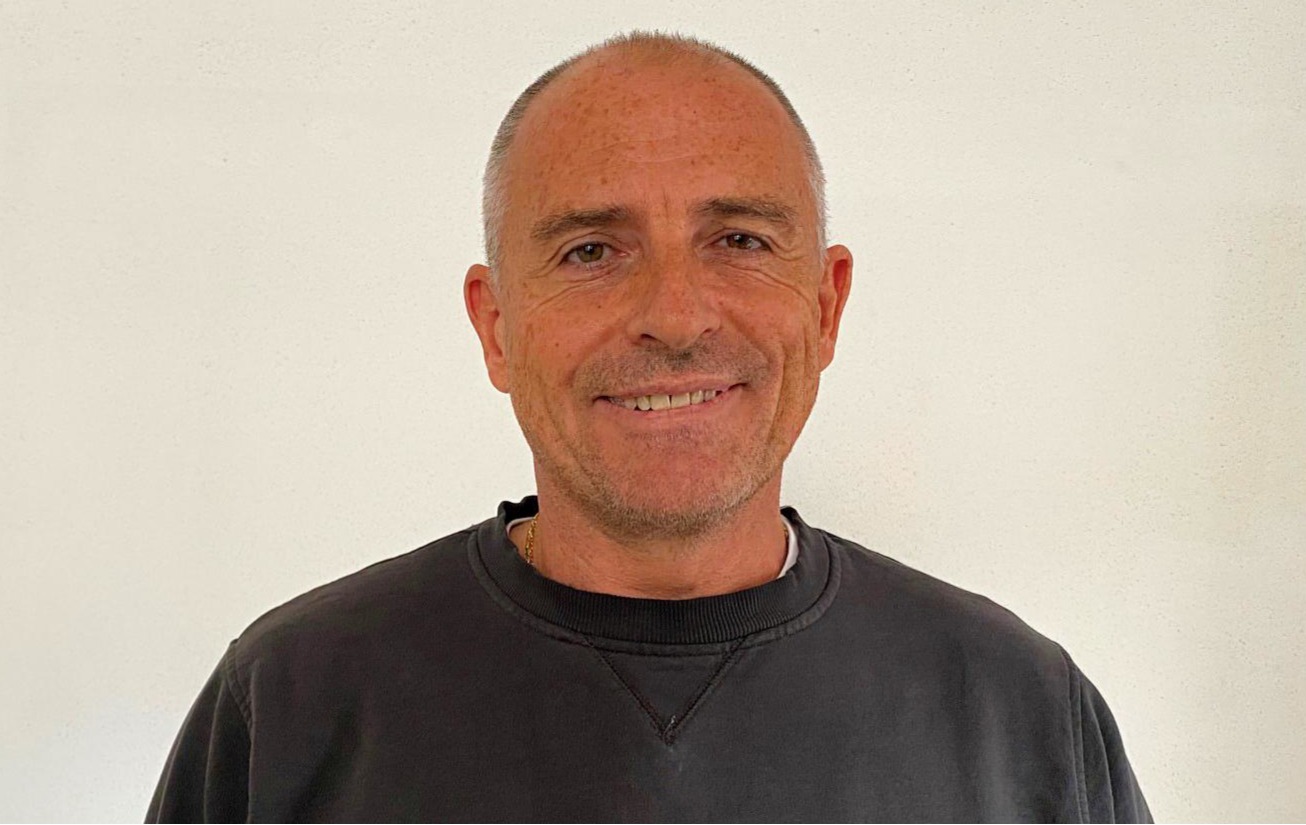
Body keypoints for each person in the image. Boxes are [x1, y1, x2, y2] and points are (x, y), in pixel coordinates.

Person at [147, 32, 1152, 822]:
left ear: (825, 307)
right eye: (591, 251)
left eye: (739, 240)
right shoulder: (292, 705)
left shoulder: (1022, 715)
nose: (674, 317)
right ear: (496, 328)